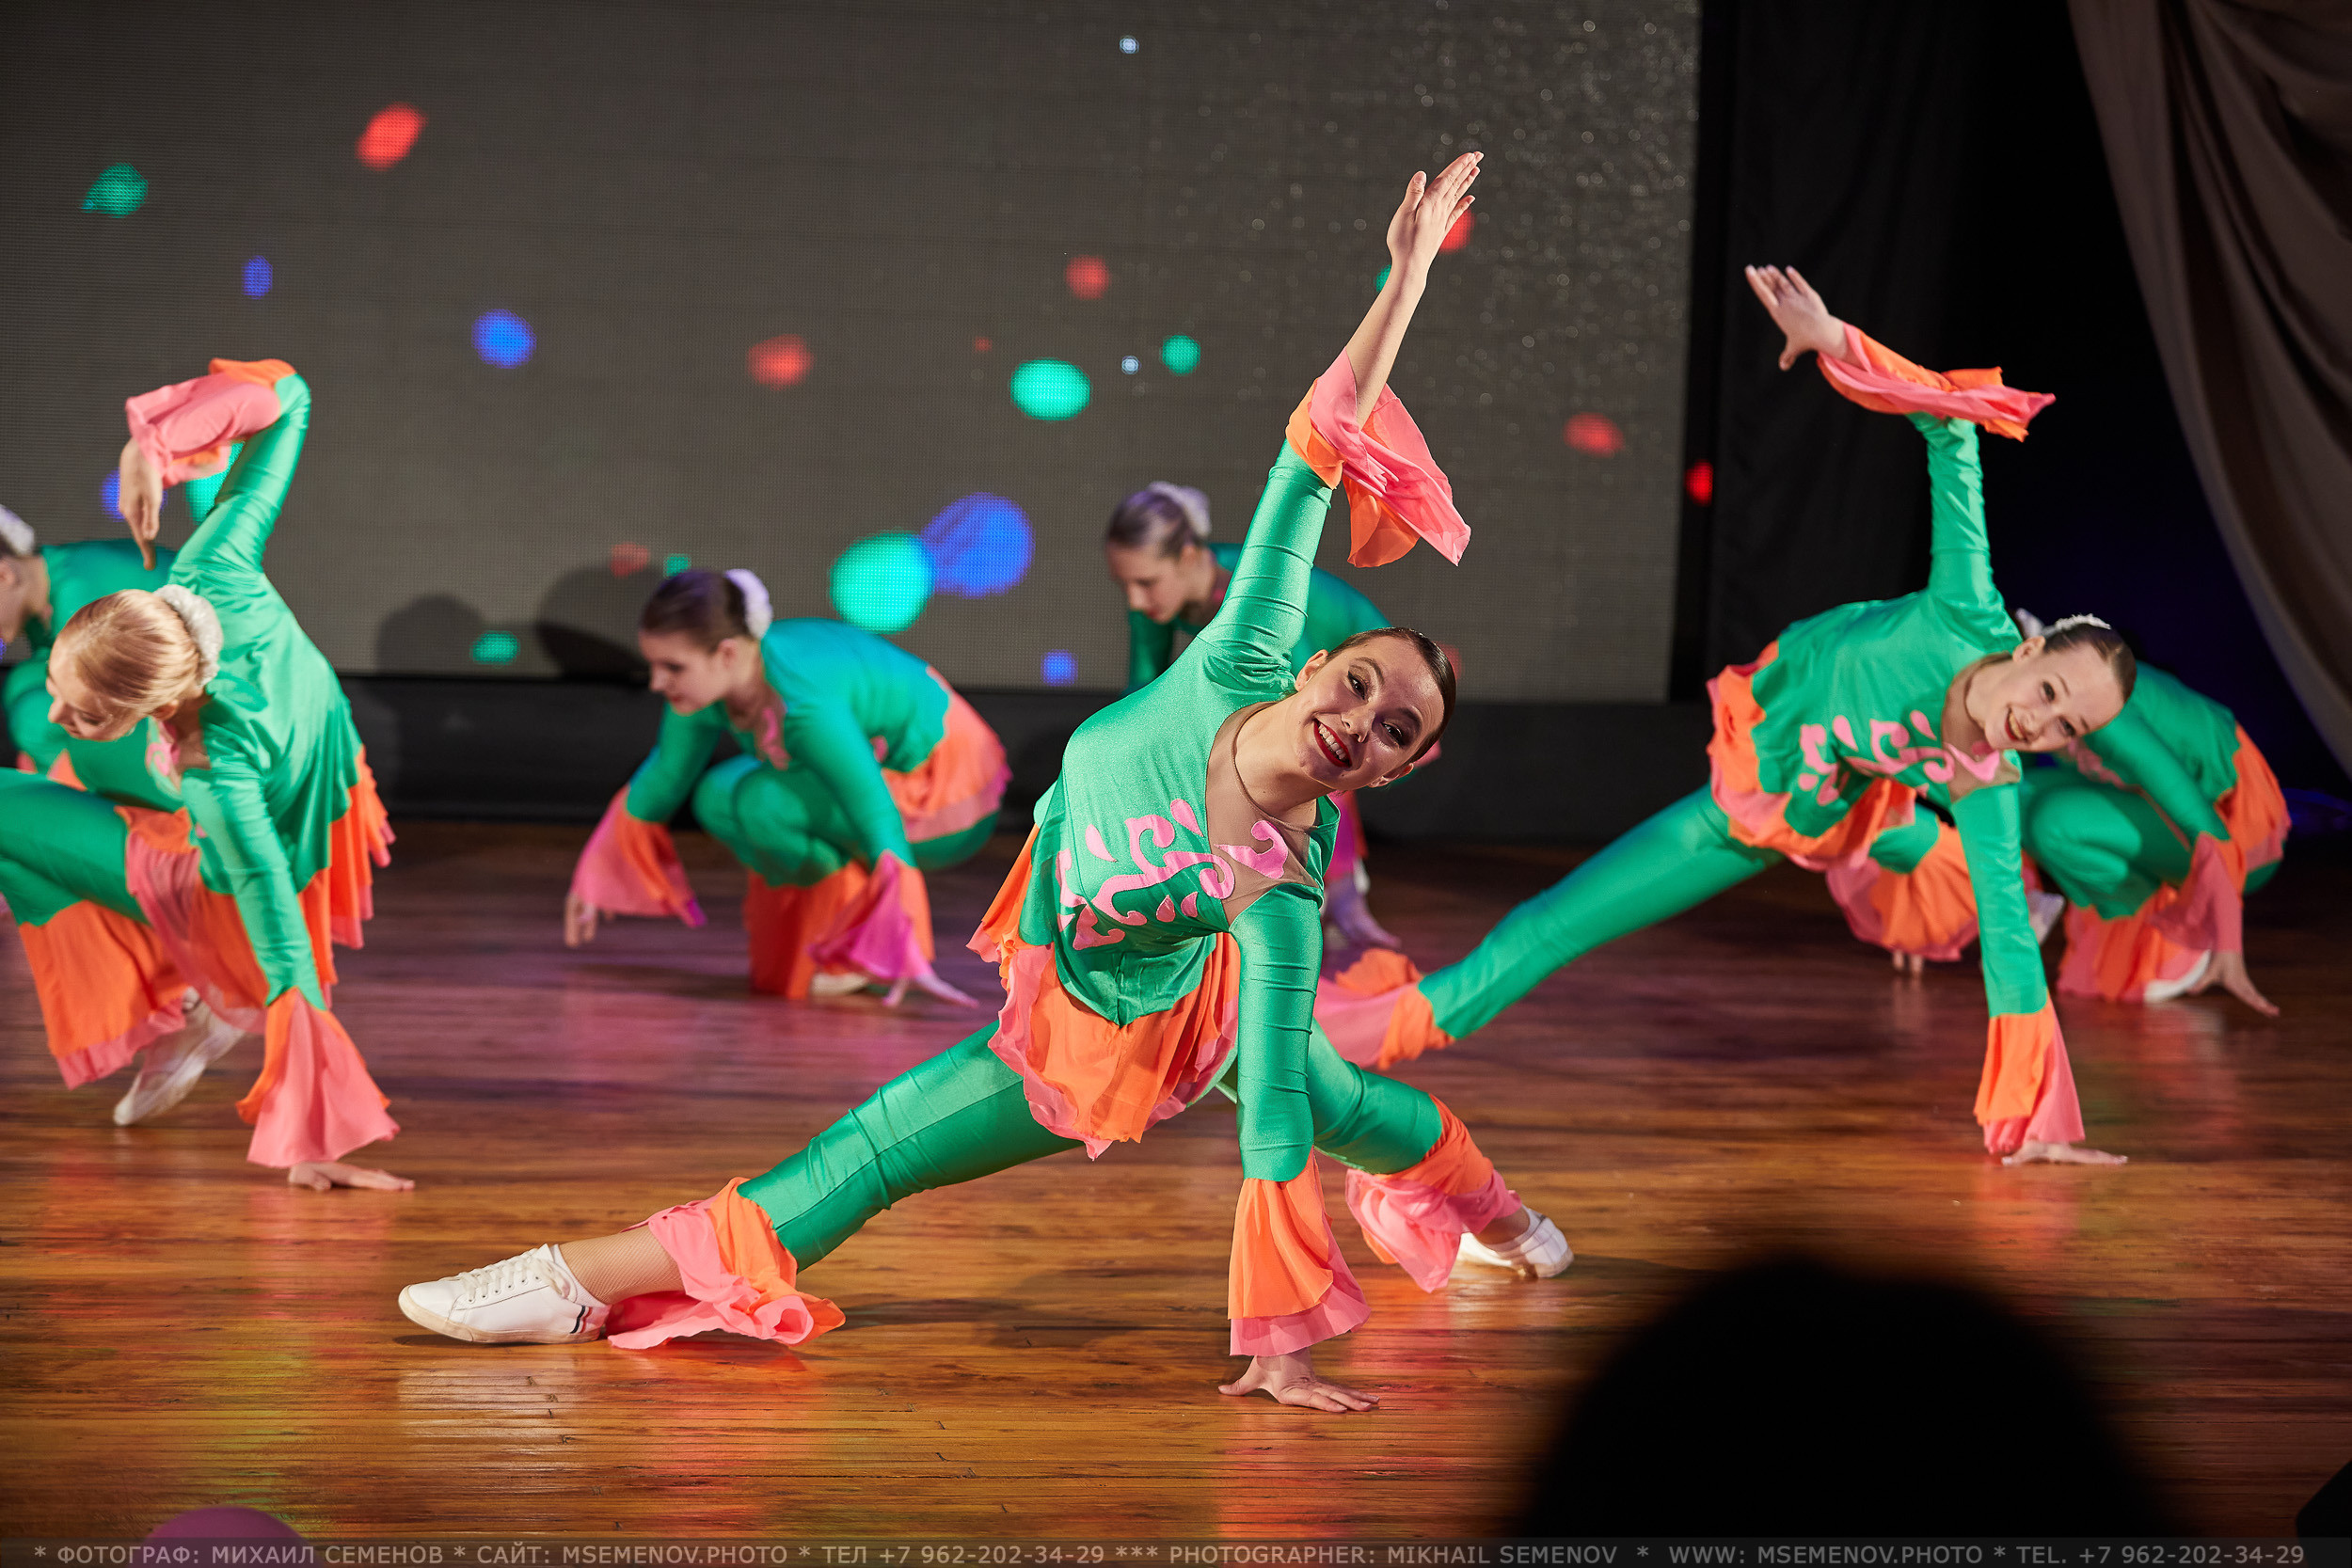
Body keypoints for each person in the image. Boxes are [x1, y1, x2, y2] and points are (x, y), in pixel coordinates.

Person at [400, 153, 1569, 1414]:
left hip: (1140, 1020)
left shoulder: (1281, 889)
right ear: (1315, 661)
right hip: (1078, 973)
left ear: (1405, 764)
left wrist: (1280, 1343)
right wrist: (1402, 282)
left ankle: (1499, 1213)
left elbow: (1271, 1124)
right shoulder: (1235, 654)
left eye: (1395, 729)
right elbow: (1316, 453)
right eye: (1357, 684)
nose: (1360, 722)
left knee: (1302, 1104)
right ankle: (579, 1279)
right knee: (1335, 1112)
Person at [1319, 265, 2135, 1166]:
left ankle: (1962, 900)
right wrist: (1837, 342)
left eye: (2069, 729)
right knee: (1555, 921)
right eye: (2051, 693)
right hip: (1760, 802)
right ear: (2027, 652)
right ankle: (1352, 1041)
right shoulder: (1963, 605)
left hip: (1847, 812)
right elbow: (1952, 427)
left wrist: (2040, 1122)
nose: (2041, 722)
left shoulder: (1992, 779)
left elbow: (2013, 966)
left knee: (1997, 902)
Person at [0, 356, 407, 1190]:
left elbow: (283, 943)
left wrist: (310, 1132)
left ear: (141, 709)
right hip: (305, 806)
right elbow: (289, 395)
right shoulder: (214, 572)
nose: (57, 719)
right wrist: (149, 444)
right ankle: (186, 1001)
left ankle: (200, 995)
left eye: (83, 715)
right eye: (57, 691)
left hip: (214, 895)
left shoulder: (213, 773)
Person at [562, 568, 1011, 1005]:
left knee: (763, 803)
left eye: (672, 667)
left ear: (728, 654)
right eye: (653, 666)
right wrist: (597, 871)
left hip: (946, 798)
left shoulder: (802, 702)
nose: (657, 682)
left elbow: (875, 814)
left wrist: (904, 942)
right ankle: (839, 929)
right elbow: (667, 774)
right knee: (718, 796)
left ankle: (854, 952)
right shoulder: (706, 690)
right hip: (881, 784)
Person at [1828, 630, 2285, 1013]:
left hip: (2240, 832)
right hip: (2151, 813)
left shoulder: (2104, 714)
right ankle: (2024, 899)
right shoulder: (2000, 688)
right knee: (2010, 799)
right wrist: (1923, 909)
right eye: (2045, 694)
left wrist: (2228, 943)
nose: (2035, 721)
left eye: (2062, 718)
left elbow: (2203, 823)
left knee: (2053, 821)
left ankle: (2173, 938)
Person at [1106, 484, 1402, 944]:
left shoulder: (1253, 589)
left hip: (1358, 666)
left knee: (1315, 757)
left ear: (1188, 557)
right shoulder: (1154, 606)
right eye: (1125, 585)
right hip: (1305, 677)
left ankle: (1341, 898)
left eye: (1145, 583)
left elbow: (1310, 689)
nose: (1135, 601)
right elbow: (1142, 694)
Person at [0, 504, 178, 776]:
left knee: (35, 716)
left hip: (192, 711)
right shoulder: (47, 597)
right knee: (22, 683)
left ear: (3, 575)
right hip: (143, 702)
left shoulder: (80, 592)